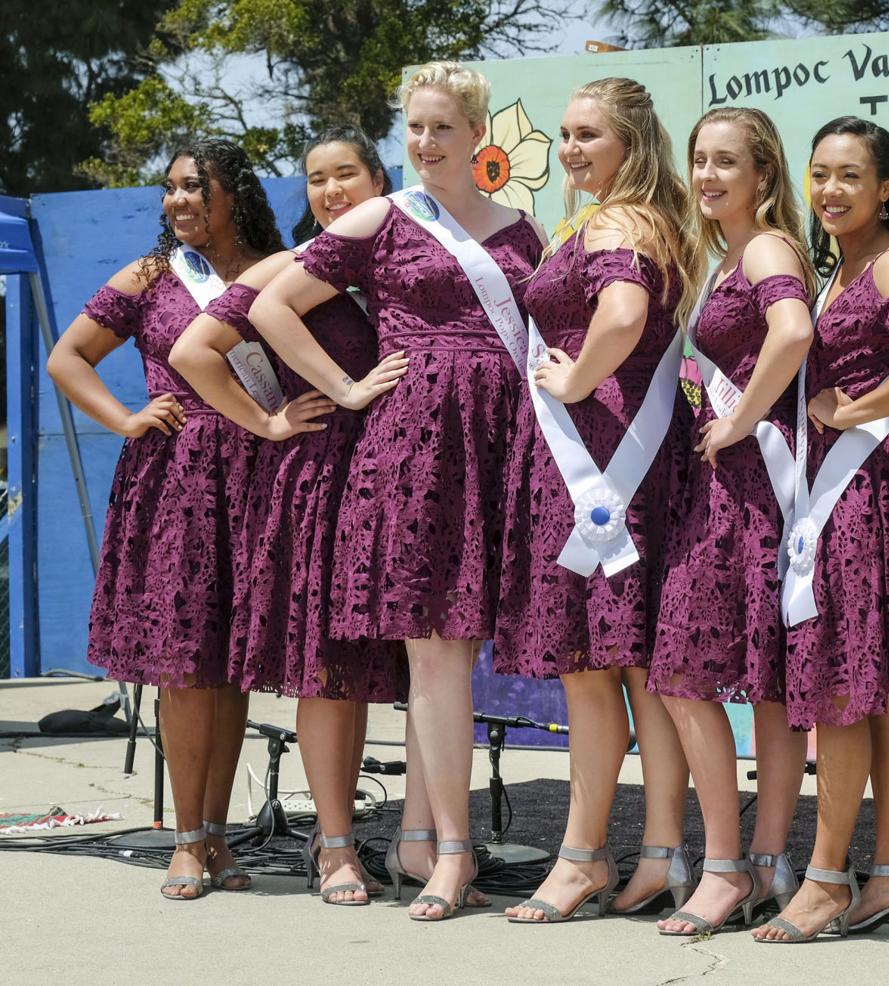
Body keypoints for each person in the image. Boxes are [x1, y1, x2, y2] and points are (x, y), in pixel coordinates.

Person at [249, 62, 545, 921]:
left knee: (454, 655)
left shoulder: (524, 231)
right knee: (435, 652)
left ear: (476, 133)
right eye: (413, 128)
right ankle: (453, 852)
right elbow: (273, 310)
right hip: (414, 445)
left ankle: (419, 837)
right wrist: (341, 390)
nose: (424, 143)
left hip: (499, 444)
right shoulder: (382, 217)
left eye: (441, 128)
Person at [169, 125, 411, 905]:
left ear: (380, 179)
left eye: (346, 175)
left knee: (393, 670)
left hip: (399, 482)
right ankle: (335, 847)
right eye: (316, 179)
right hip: (323, 478)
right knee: (329, 665)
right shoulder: (288, 268)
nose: (332, 191)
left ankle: (420, 841)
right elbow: (193, 353)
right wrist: (269, 423)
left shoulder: (405, 264)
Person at [47, 138, 283, 900]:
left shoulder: (274, 272)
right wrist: (124, 417)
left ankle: (219, 837)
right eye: (171, 189)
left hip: (255, 475)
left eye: (194, 187)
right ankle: (185, 841)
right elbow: (68, 357)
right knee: (186, 665)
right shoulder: (152, 277)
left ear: (234, 194)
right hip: (176, 480)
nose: (177, 201)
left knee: (231, 664)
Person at [496, 77, 699, 925]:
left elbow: (621, 311)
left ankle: (584, 857)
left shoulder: (618, 221)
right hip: (622, 450)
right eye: (566, 135)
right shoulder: (637, 218)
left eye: (590, 136)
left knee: (592, 669)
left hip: (605, 454)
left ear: (631, 144)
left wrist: (577, 376)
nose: (572, 149)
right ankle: (658, 852)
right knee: (640, 668)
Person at [754, 116, 889, 944]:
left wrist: (854, 409)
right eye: (820, 174)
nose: (831, 190)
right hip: (861, 489)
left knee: (846, 685)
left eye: (850, 176)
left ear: (886, 187)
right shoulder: (841, 268)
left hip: (871, 487)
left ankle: (826, 879)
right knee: (879, 697)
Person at [648, 107, 817, 937]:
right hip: (728, 484)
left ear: (763, 174)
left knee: (684, 671)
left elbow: (793, 331)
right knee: (759, 680)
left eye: (726, 163)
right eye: (699, 161)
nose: (709, 176)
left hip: (754, 482)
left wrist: (745, 416)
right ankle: (766, 861)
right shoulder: (726, 256)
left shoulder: (766, 248)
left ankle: (726, 866)